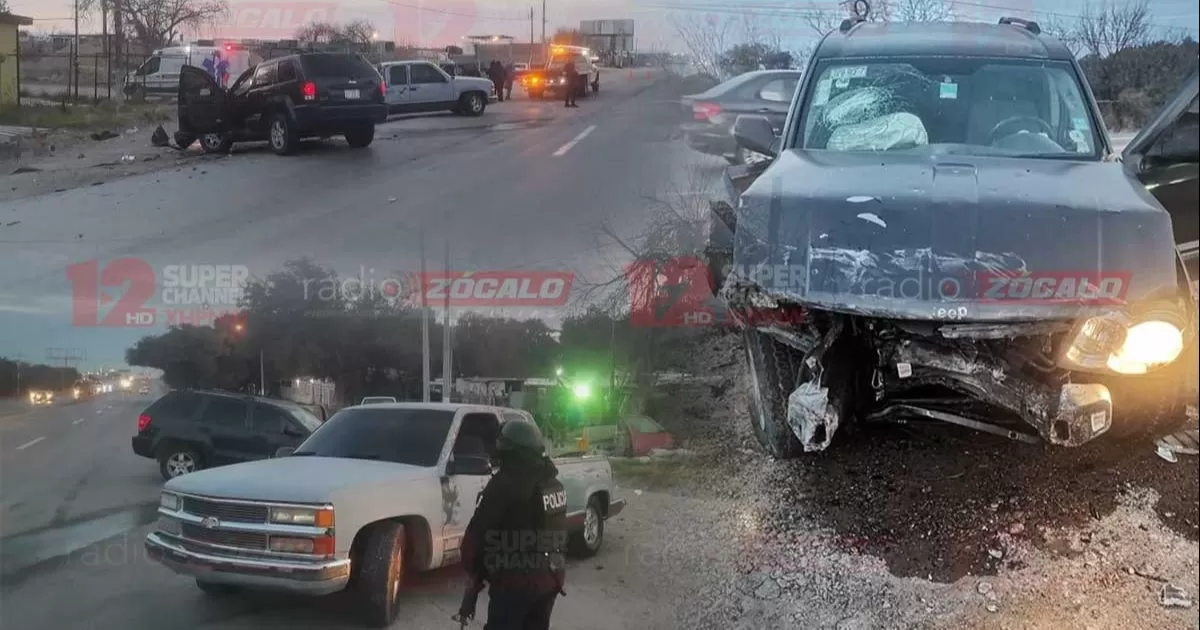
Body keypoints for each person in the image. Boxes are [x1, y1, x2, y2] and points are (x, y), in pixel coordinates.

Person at [462, 420, 567, 630]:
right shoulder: (552, 482)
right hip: (550, 579)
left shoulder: (504, 484)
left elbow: (477, 538)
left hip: (515, 585)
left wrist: (474, 575)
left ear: (509, 450)